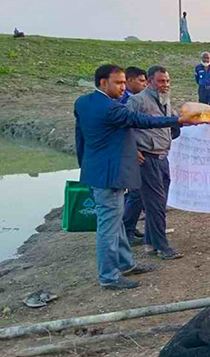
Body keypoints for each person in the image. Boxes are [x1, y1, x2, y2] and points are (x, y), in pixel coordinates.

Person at [74, 65, 202, 290]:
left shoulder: (83, 103)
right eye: (119, 83)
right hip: (109, 176)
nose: (124, 87)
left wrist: (84, 166)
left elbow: (80, 138)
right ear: (103, 82)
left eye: (125, 82)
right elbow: (144, 121)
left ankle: (126, 263)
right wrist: (178, 121)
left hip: (95, 172)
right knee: (108, 229)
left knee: (116, 224)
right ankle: (109, 276)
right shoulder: (111, 109)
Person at [125, 66, 185, 260]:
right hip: (147, 159)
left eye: (167, 81)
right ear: (150, 81)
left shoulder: (166, 102)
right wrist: (133, 150)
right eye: (161, 81)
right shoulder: (137, 101)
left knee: (157, 203)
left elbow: (175, 124)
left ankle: (150, 243)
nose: (165, 85)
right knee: (157, 205)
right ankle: (162, 247)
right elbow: (123, 126)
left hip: (162, 157)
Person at [119, 66, 149, 244]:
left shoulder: (137, 99)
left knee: (136, 193)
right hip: (131, 152)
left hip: (136, 149)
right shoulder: (125, 102)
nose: (144, 84)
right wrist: (132, 150)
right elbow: (124, 128)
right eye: (141, 80)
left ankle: (129, 227)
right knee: (136, 193)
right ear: (130, 80)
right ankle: (127, 232)